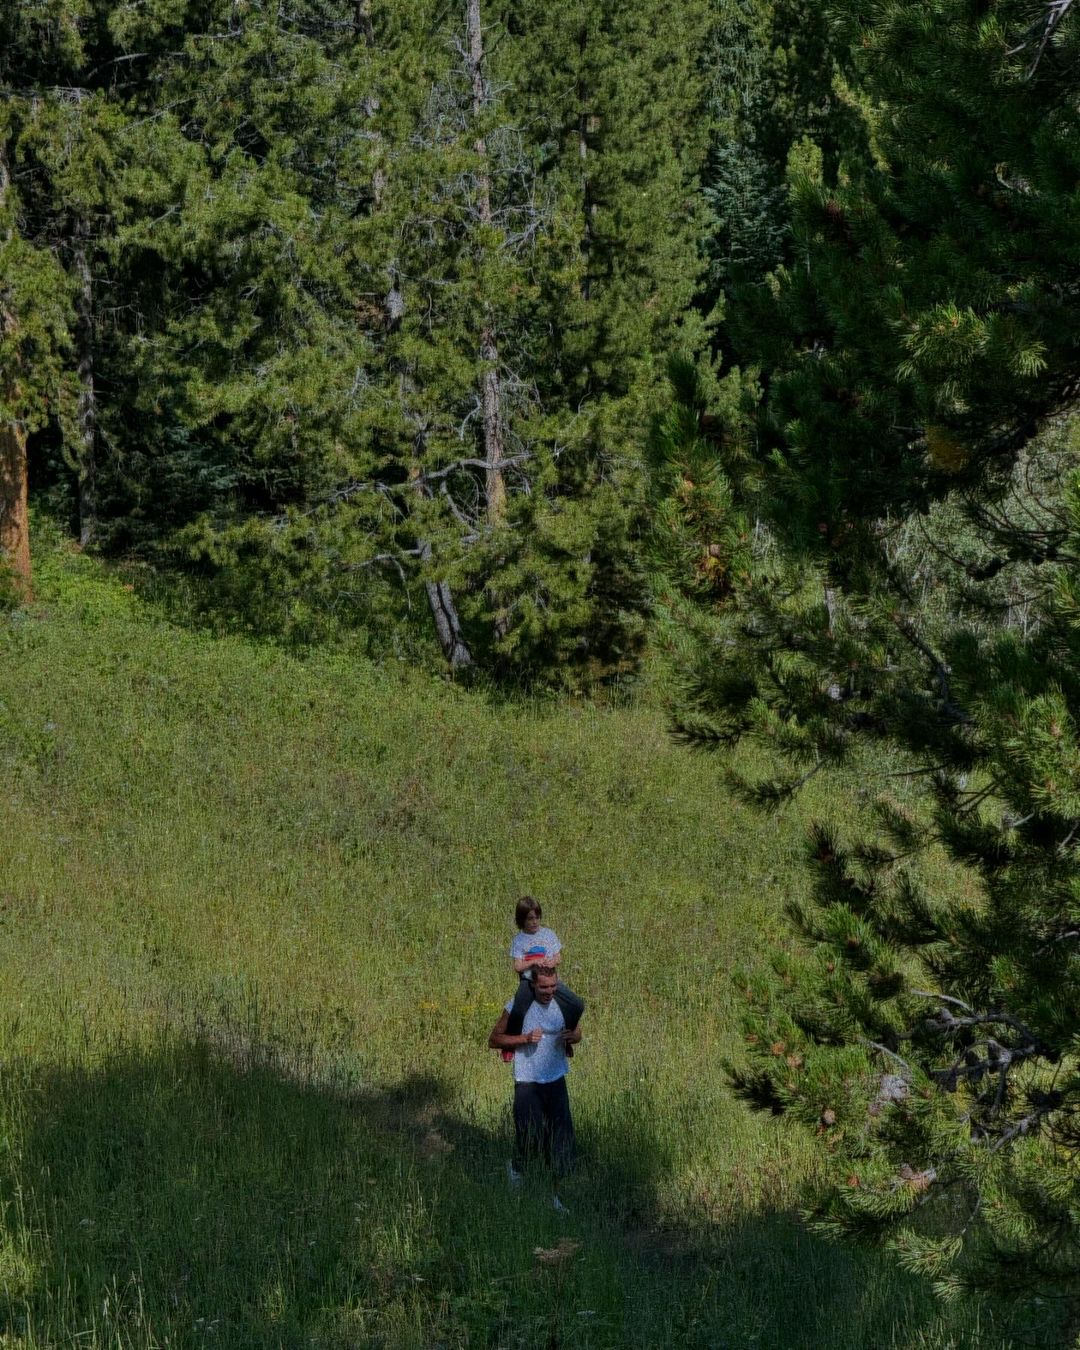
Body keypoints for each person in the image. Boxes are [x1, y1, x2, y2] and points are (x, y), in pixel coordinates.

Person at [488, 966, 581, 1206]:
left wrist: (574, 1037)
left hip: (556, 1079)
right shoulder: (518, 1007)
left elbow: (577, 1030)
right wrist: (524, 1039)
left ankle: (554, 1197)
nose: (549, 992)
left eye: (553, 986)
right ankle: (517, 1174)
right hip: (527, 1081)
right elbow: (494, 1039)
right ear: (533, 985)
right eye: (544, 987)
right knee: (530, 1136)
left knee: (559, 1140)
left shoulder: (562, 1005)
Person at [503, 897, 584, 1060]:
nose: (534, 922)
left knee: (576, 1004)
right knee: (518, 1008)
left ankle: (567, 1038)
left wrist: (551, 961)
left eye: (537, 917)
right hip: (529, 981)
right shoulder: (519, 940)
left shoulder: (548, 934)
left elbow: (558, 957)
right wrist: (533, 961)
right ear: (522, 920)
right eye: (530, 918)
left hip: (549, 978)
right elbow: (517, 966)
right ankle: (509, 1044)